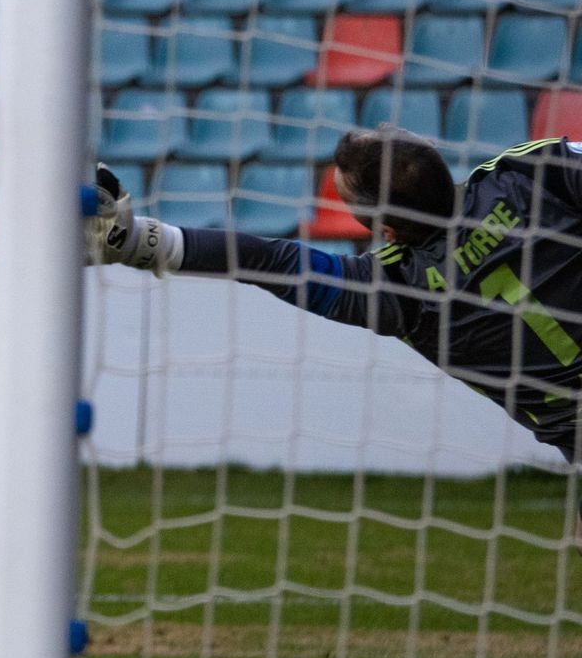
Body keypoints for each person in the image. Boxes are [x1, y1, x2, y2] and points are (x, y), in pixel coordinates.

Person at [88, 125, 582, 475]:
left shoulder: (397, 291)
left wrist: (136, 242)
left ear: (385, 229)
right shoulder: (529, 173)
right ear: (431, 151)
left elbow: (272, 261)